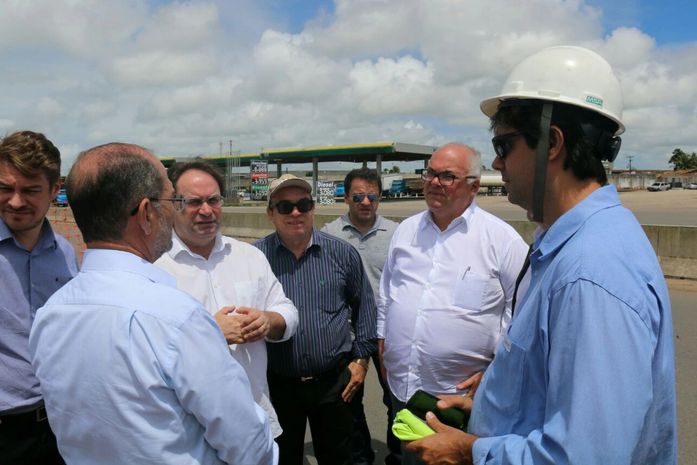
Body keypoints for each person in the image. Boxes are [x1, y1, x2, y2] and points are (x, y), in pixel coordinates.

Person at [407, 46, 677, 465]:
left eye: (503, 145)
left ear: (552, 142)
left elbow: (587, 456)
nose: (496, 162)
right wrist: (493, 400)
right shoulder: (569, 243)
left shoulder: (591, 272)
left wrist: (469, 451)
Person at [29, 143, 277, 465]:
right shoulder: (177, 318)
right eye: (173, 200)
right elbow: (248, 444)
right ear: (147, 213)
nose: (174, 212)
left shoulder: (49, 315)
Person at [378, 143, 528, 464]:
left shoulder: (502, 240)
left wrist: (497, 371)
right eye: (431, 173)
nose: (435, 182)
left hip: (460, 401)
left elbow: (522, 314)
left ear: (474, 186)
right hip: (403, 389)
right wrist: (382, 340)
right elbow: (387, 294)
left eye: (448, 176)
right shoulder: (406, 231)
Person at [155, 160, 299, 439]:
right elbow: (145, 348)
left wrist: (268, 320)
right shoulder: (155, 267)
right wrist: (209, 333)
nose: (206, 210)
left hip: (255, 418)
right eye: (194, 202)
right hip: (190, 431)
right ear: (173, 205)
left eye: (213, 200)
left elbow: (286, 309)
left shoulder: (249, 256)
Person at [255, 174, 377, 465]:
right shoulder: (255, 258)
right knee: (282, 458)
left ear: (313, 208)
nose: (296, 213)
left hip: (334, 383)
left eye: (303, 204)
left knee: (338, 457)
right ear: (271, 213)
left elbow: (365, 307)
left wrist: (361, 361)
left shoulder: (341, 253)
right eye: (285, 207)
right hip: (278, 385)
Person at [0, 131, 77, 465]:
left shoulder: (65, 254)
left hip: (57, 427)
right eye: (5, 188)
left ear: (55, 189)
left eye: (30, 191)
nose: (16, 202)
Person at [321, 167, 400, 465]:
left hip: (388, 333)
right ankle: (360, 459)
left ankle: (397, 457)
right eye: (358, 197)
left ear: (379, 198)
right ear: (346, 198)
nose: (365, 202)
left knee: (396, 401)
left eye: (372, 197)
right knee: (349, 403)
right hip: (348, 334)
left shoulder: (398, 234)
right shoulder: (328, 234)